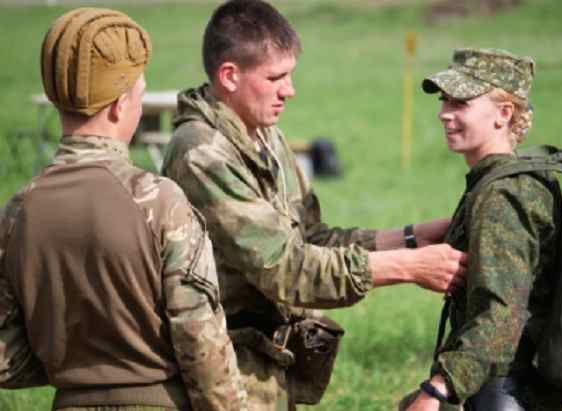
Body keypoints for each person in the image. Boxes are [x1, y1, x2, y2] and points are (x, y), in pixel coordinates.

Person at [161, 0, 466, 409]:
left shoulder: (265, 136)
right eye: (276, 77)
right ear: (229, 76)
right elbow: (285, 269)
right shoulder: (202, 154)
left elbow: (312, 238)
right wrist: (410, 267)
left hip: (265, 366)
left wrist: (411, 237)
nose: (290, 90)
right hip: (221, 374)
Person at [0, 8, 246, 411]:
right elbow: (202, 345)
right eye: (139, 93)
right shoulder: (161, 203)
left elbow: (6, 360)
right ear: (119, 105)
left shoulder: (16, 212)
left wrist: (76, 370)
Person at [401, 49, 562, 411]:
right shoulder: (506, 178)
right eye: (445, 100)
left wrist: (439, 390)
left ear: (504, 114)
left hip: (504, 388)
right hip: (502, 382)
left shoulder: (503, 194)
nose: (444, 113)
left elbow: (502, 314)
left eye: (461, 103)